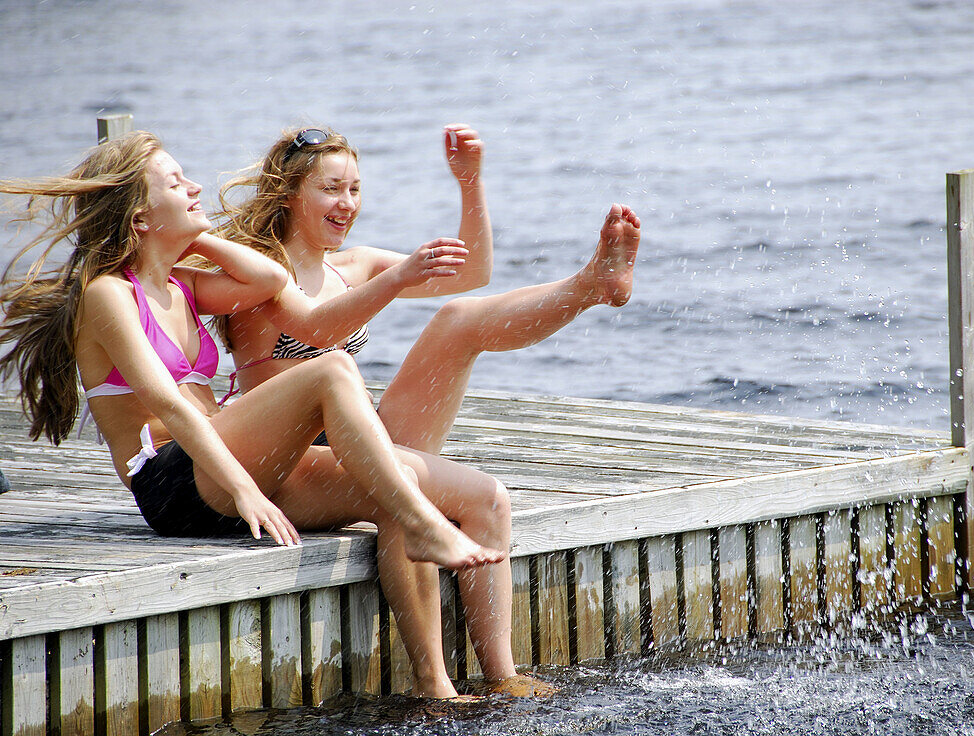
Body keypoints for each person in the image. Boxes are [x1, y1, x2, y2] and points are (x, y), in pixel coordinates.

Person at [215, 125, 641, 698]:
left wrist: (470, 184)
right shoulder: (259, 271)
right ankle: (434, 686)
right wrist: (399, 278)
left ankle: (502, 676)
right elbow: (322, 328)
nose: (348, 204)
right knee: (410, 489)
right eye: (332, 189)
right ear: (291, 193)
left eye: (356, 190)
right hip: (287, 465)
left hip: (355, 439)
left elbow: (473, 274)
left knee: (458, 327)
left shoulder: (356, 264)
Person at [0, 131, 509, 593]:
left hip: (219, 463)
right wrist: (246, 493)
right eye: (177, 184)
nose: (195, 187)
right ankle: (421, 523)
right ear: (141, 216)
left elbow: (267, 280)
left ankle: (443, 687)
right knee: (333, 368)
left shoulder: (183, 283)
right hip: (174, 484)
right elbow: (169, 406)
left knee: (405, 487)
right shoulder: (108, 295)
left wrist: (192, 235)